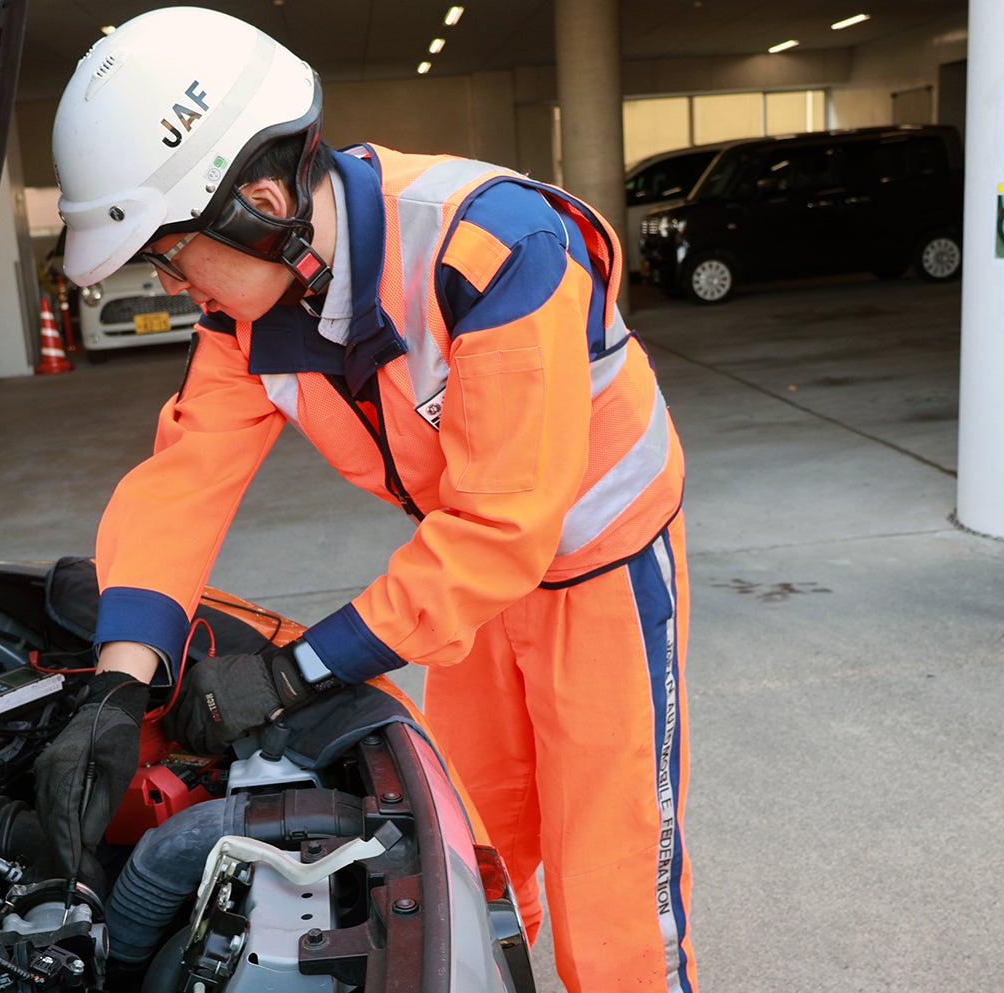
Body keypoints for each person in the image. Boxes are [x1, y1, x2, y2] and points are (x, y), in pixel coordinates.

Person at [35, 8, 696, 991]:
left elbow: (505, 525)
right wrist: (118, 685)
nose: (174, 285)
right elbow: (182, 481)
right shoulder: (252, 315)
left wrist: (293, 673)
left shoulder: (495, 249)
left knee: (613, 913)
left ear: (259, 202)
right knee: (477, 851)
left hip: (600, 572)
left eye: (170, 253)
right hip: (463, 580)